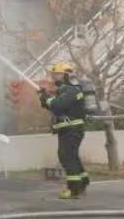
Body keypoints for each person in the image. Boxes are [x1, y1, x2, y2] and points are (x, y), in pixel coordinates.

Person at [39, 61, 90, 200]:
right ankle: (83, 182)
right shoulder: (64, 90)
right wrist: (44, 98)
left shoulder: (71, 90)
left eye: (57, 74)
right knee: (71, 157)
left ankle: (73, 190)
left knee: (66, 157)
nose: (54, 77)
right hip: (68, 130)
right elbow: (53, 105)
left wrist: (48, 99)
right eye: (54, 74)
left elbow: (58, 105)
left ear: (66, 75)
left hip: (72, 130)